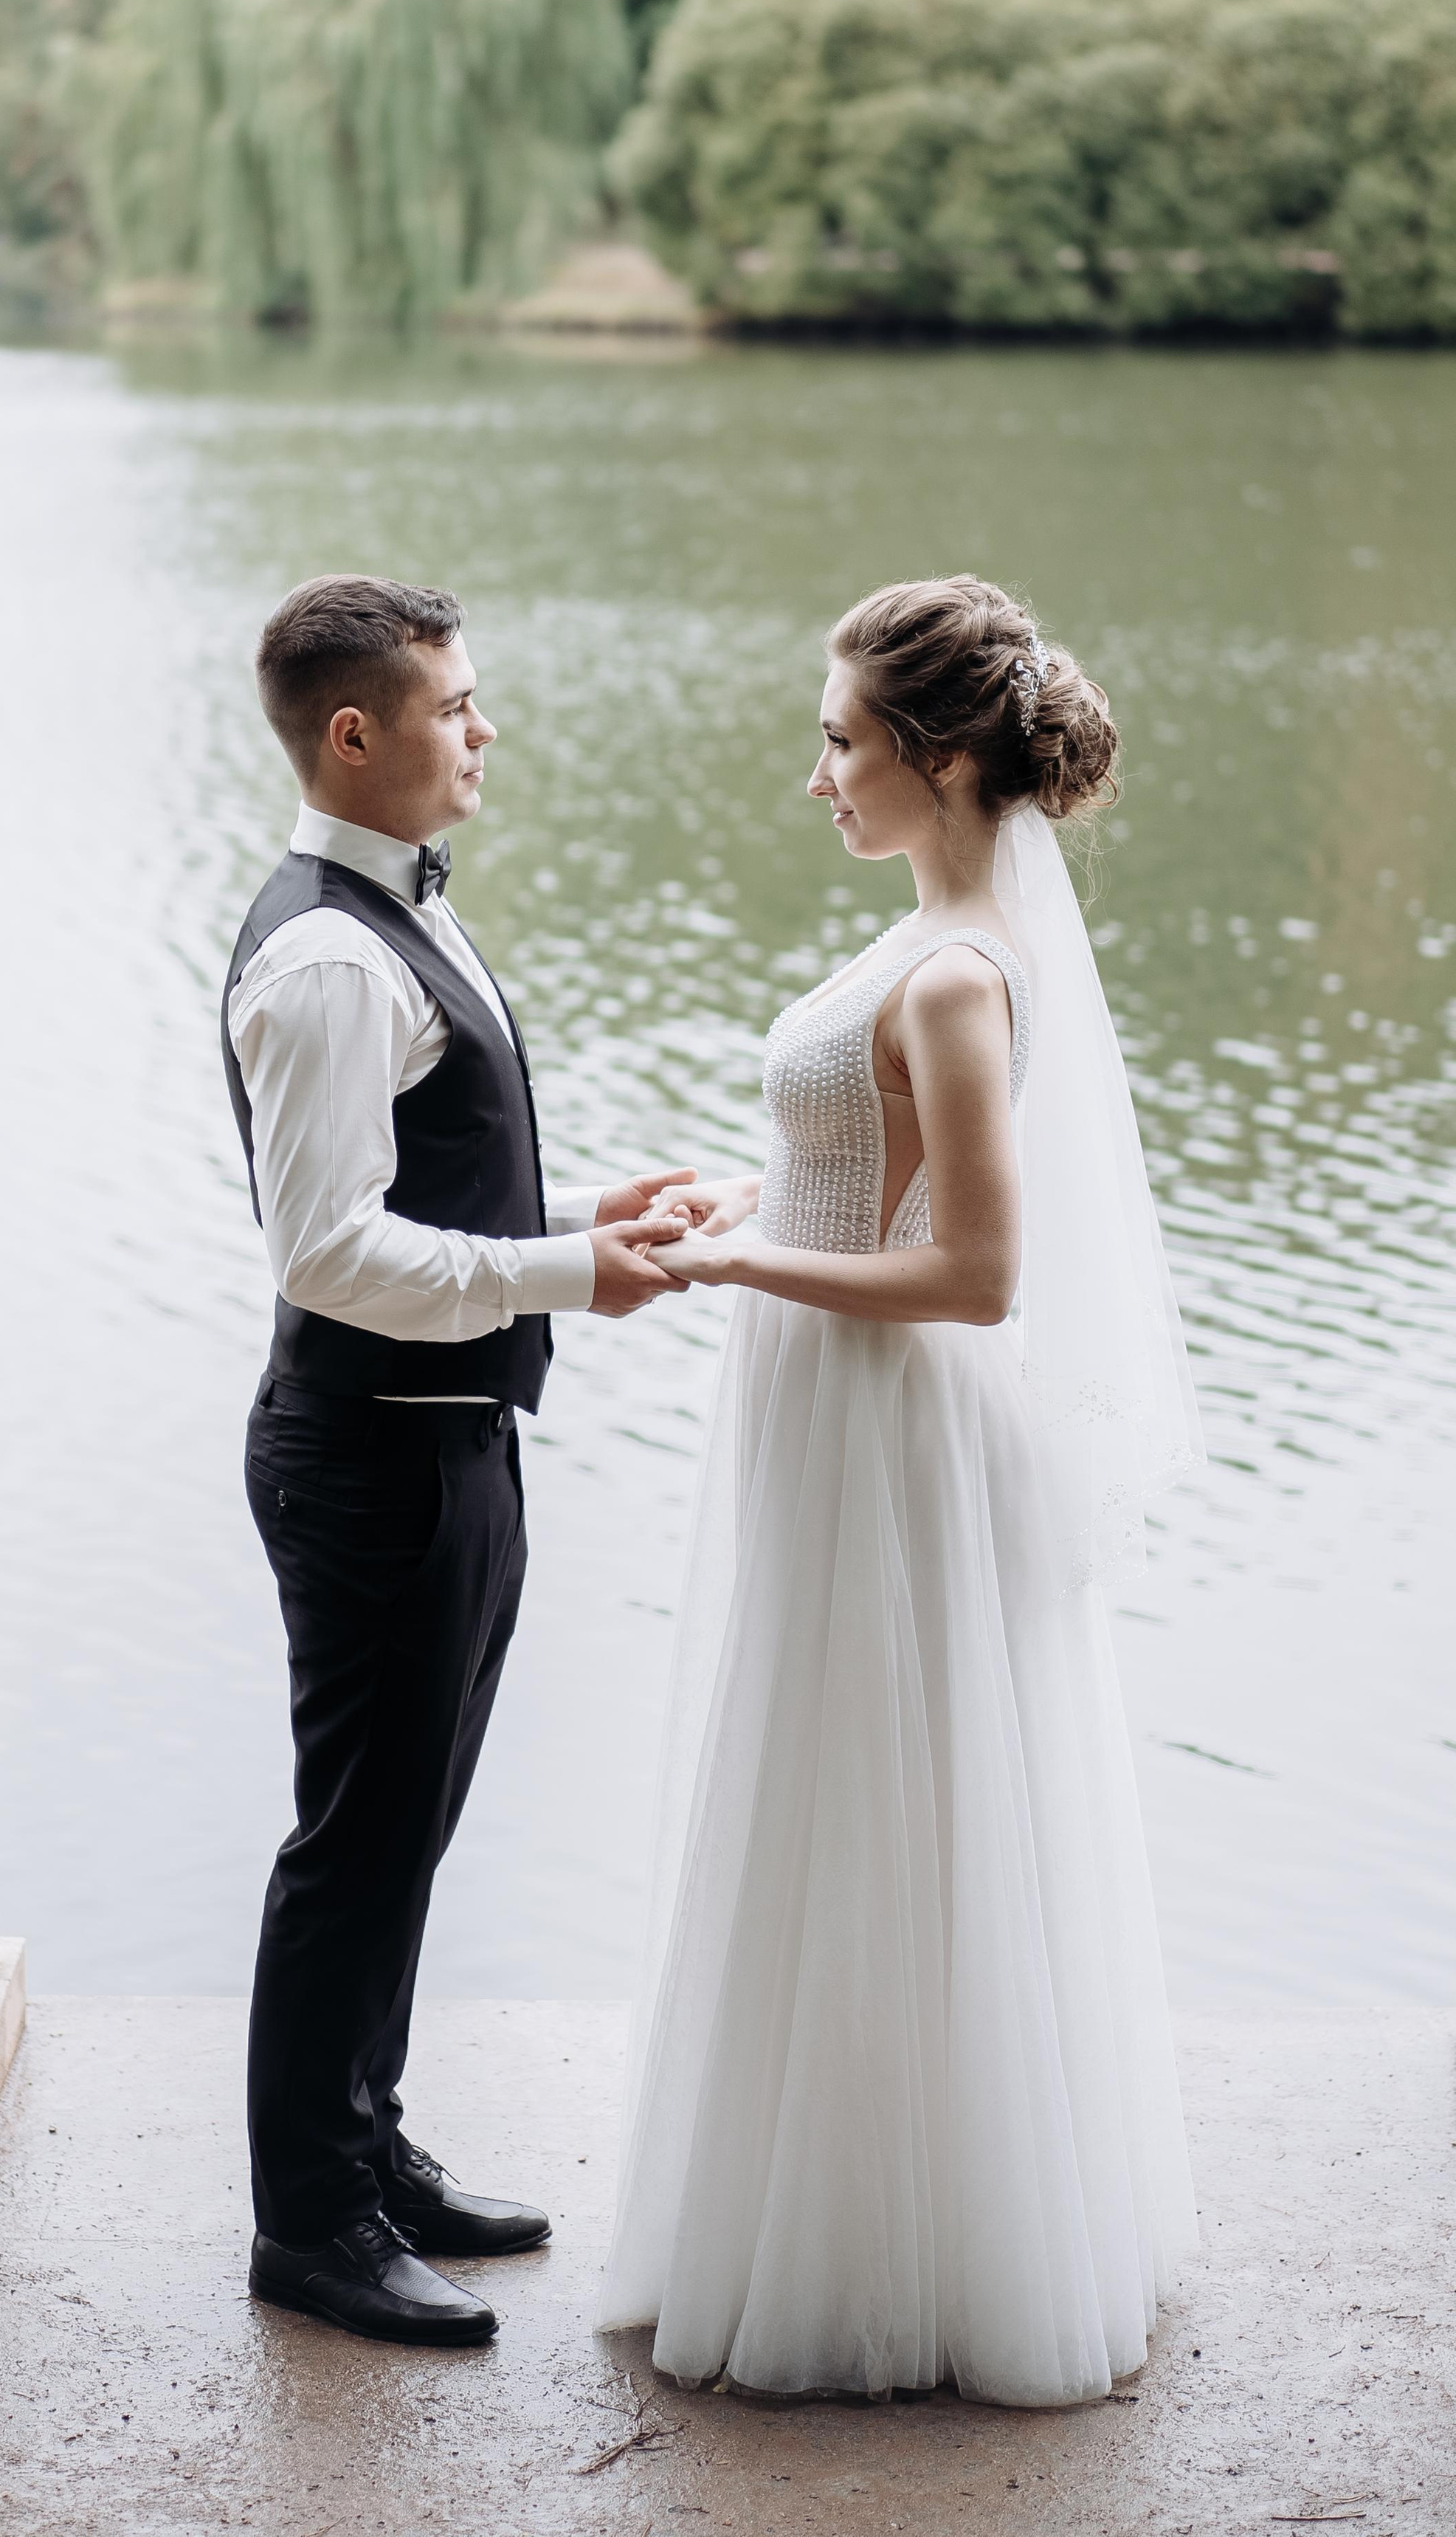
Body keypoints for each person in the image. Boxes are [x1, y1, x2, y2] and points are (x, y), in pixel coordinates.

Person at [598, 574, 1204, 2406]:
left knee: (883, 1793)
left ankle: (900, 2249)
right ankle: (812, 2193)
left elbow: (973, 1279)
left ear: (937, 760)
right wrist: (746, 1204)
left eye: (840, 740)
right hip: (825, 1408)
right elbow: (871, 1184)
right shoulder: (914, 944)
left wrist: (736, 1271)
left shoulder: (953, 974)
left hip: (886, 1417)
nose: (817, 775)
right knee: (820, 1781)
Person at [222, 574, 693, 2348]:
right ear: (358, 734)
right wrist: (570, 1272)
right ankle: (311, 2229)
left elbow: (438, 1205)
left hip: (444, 1443)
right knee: (353, 1843)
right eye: (457, 704)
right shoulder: (332, 955)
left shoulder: (396, 917)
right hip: (372, 1461)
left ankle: (367, 2150)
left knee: (404, 1832)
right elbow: (328, 1254)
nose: (482, 730)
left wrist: (589, 1215)